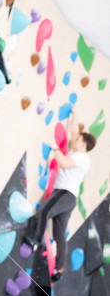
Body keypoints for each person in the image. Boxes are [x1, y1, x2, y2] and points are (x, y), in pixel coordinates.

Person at [24, 107, 96, 282]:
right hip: (68, 197)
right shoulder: (79, 152)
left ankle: (36, 241)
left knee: (44, 211)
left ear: (83, 145)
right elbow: (73, 132)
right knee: (59, 234)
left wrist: (55, 148)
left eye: (78, 140)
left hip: (64, 193)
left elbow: (63, 163)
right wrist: (75, 115)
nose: (74, 140)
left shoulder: (81, 158)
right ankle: (59, 268)